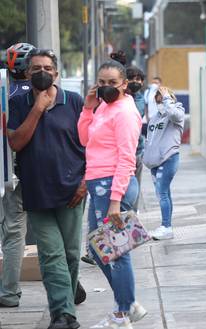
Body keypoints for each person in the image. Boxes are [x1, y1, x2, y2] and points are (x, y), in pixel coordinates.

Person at [7, 49, 86, 328]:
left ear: (56, 73)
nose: (42, 72)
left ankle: (66, 292)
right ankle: (63, 314)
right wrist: (38, 109)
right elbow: (16, 142)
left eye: (47, 68)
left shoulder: (73, 102)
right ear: (28, 74)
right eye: (36, 68)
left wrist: (85, 181)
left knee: (71, 253)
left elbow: (92, 145)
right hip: (37, 191)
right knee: (51, 254)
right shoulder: (17, 103)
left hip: (72, 191)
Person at [78, 60, 146, 328]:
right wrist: (87, 108)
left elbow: (127, 159)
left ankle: (123, 313)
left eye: (112, 83)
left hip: (112, 186)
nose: (106, 87)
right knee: (98, 251)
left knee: (117, 253)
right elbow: (84, 139)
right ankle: (129, 305)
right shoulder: (104, 107)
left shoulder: (125, 112)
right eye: (101, 82)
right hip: (99, 184)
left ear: (124, 84)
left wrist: (115, 201)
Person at [0, 42, 33, 309]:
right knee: (47, 232)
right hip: (31, 172)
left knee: (10, 232)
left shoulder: (5, 92)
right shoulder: (37, 93)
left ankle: (9, 293)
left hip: (7, 173)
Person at [143, 87, 185, 240]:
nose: (159, 101)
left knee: (161, 193)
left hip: (169, 158)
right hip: (154, 162)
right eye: (158, 99)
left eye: (162, 98)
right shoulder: (155, 117)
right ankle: (168, 226)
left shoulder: (177, 112)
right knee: (164, 193)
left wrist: (167, 99)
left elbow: (174, 114)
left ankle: (166, 227)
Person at [125, 66, 146, 211]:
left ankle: (133, 215)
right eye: (131, 78)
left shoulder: (139, 99)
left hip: (136, 151)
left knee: (134, 188)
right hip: (121, 152)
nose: (134, 82)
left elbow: (132, 115)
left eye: (138, 79)